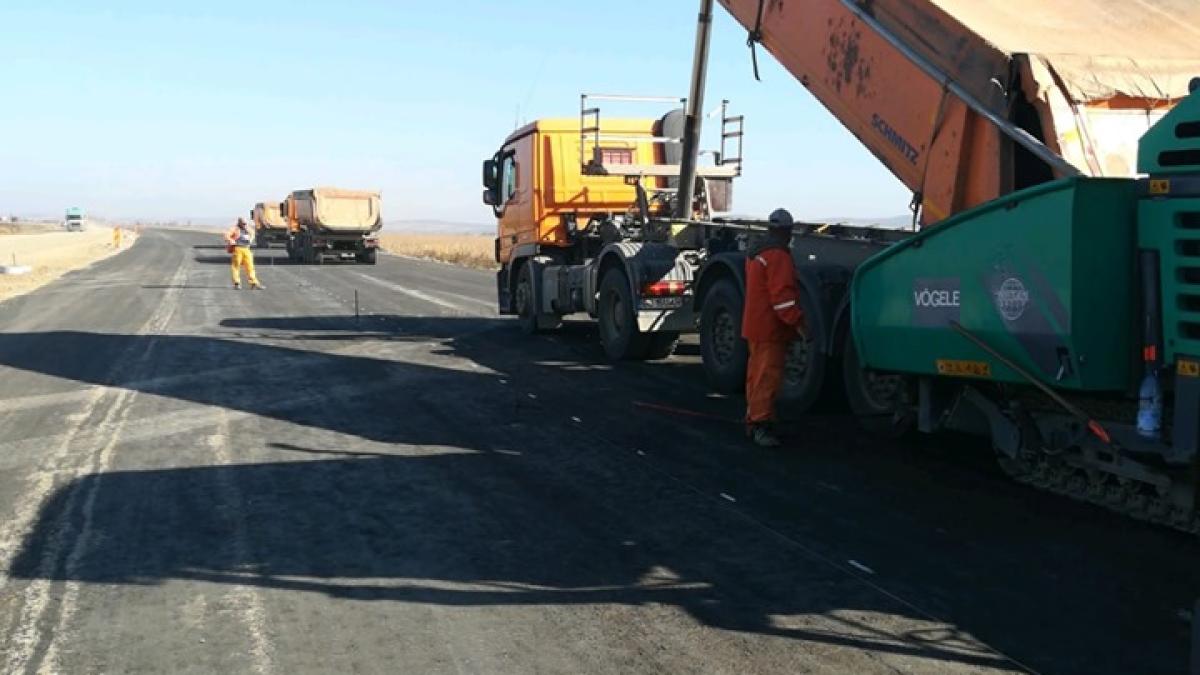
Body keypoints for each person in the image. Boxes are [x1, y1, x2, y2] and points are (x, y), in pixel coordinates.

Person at [742, 208, 806, 447]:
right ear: (787, 232)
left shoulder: (756, 253)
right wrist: (799, 323)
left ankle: (754, 418)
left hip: (755, 325)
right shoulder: (778, 256)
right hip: (770, 329)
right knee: (767, 378)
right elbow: (783, 299)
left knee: (756, 376)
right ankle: (761, 425)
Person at [225, 218, 264, 290]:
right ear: (239, 223)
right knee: (236, 266)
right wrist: (231, 240)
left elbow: (252, 234)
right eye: (243, 223)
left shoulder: (248, 229)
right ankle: (237, 283)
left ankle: (254, 283)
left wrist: (251, 239)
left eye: (246, 223)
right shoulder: (234, 229)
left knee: (250, 267)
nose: (245, 225)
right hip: (237, 249)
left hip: (246, 249)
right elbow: (227, 235)